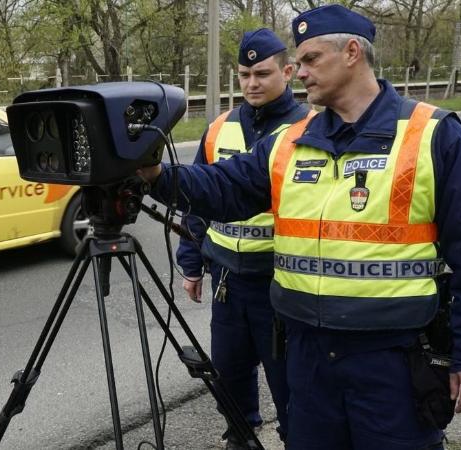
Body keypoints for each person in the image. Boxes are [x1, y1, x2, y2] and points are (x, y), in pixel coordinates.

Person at [140, 5, 461, 449]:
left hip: (391, 361)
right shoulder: (291, 140)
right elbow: (224, 187)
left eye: (312, 59)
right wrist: (154, 176)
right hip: (306, 357)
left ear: (352, 52)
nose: (299, 72)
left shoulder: (432, 134)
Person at [175, 28, 310, 448]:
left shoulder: (309, 128)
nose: (252, 83)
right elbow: (198, 197)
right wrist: (192, 264)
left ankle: (295, 438)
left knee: (289, 379)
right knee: (229, 373)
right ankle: (240, 435)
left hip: (282, 281)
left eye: (262, 73)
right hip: (228, 281)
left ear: (288, 72)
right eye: (244, 74)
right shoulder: (219, 128)